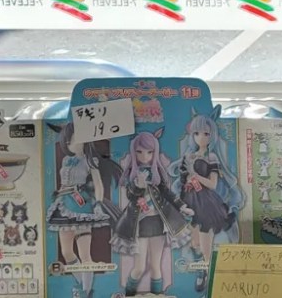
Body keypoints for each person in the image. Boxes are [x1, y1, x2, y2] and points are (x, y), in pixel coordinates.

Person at [168, 107, 243, 293]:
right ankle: (202, 272)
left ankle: (209, 279)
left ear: (212, 136)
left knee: (205, 245)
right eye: (197, 133)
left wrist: (195, 175)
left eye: (206, 134)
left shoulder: (211, 156)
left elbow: (212, 184)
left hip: (206, 203)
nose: (201, 137)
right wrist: (185, 177)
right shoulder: (188, 155)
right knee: (194, 244)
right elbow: (182, 180)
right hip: (189, 201)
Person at [112, 130, 194, 297]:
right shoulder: (132, 173)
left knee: (156, 266)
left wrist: (182, 206)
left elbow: (168, 194)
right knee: (139, 267)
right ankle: (129, 294)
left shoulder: (157, 173)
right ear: (134, 152)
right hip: (139, 225)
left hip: (158, 223)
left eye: (149, 152)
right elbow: (130, 195)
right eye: (140, 152)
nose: (145, 156)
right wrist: (138, 187)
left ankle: (157, 295)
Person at [46, 122, 122, 298]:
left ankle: (86, 291)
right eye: (68, 141)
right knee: (66, 252)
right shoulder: (66, 160)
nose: (70, 144)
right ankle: (83, 286)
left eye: (73, 139)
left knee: (85, 255)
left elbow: (98, 185)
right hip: (63, 204)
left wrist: (98, 204)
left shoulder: (90, 160)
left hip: (80, 205)